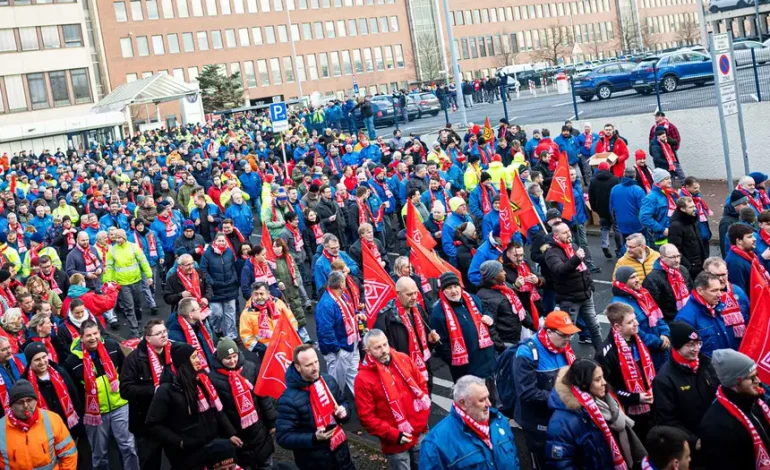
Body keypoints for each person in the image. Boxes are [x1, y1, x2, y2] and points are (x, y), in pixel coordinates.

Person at [145, 343, 239, 470]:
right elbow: (153, 423)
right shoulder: (166, 390)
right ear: (184, 362)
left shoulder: (202, 379)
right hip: (186, 455)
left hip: (210, 447)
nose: (198, 360)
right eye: (194, 357)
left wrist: (230, 433)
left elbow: (216, 409)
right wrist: (180, 442)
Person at [62, 319, 139, 470]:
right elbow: (74, 391)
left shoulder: (111, 346)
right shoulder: (72, 361)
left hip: (120, 405)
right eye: (88, 335)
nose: (93, 338)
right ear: (81, 337)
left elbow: (125, 372)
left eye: (95, 333)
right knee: (99, 454)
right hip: (95, 414)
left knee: (128, 447)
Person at [507, 310, 578, 468]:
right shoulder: (527, 353)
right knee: (543, 461)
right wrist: (563, 399)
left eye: (570, 335)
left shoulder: (564, 348)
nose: (568, 339)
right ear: (549, 332)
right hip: (537, 422)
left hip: (560, 415)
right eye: (564, 335)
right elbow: (527, 393)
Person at [546, 359, 647, 469]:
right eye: (598, 379)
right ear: (584, 384)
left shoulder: (608, 402)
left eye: (602, 377)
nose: (604, 382)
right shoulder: (562, 422)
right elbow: (561, 464)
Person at [354, 330, 430, 469]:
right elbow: (367, 417)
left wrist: (422, 418)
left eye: (385, 344)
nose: (384, 351)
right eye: (377, 347)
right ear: (367, 351)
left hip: (419, 431)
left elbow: (421, 385)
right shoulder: (362, 379)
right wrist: (394, 435)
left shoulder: (403, 359)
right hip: (395, 443)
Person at [276, 344, 354, 470]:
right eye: (308, 365)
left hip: (342, 456)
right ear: (297, 367)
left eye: (316, 362)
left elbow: (344, 402)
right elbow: (283, 437)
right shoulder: (288, 399)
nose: (315, 368)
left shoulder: (328, 381)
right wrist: (314, 438)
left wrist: (344, 412)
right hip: (314, 462)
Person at [420, 375, 520, 470]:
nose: (488, 404)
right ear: (463, 403)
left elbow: (514, 458)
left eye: (487, 397)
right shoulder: (435, 444)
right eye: (481, 400)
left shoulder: (499, 420)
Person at [652, 321, 716, 463]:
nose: (696, 349)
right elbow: (667, 420)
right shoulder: (664, 380)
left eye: (698, 343)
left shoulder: (706, 364)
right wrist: (693, 441)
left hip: (714, 437)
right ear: (677, 346)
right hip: (693, 450)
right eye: (690, 345)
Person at [209, 338, 276, 470]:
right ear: (219, 358)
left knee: (266, 462)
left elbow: (262, 396)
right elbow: (218, 411)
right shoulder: (212, 378)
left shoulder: (250, 367)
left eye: (235, 356)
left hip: (259, 428)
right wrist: (230, 433)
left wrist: (272, 422)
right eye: (228, 358)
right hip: (237, 432)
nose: (233, 361)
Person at [699, 349, 770, 470]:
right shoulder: (717, 425)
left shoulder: (756, 402)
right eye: (752, 378)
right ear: (735, 383)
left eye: (757, 375)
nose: (758, 381)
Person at [118, 318, 173, 470]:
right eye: (159, 333)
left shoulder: (173, 351)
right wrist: (154, 391)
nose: (164, 335)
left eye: (164, 331)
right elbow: (125, 390)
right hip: (146, 423)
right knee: (150, 464)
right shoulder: (134, 359)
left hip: (171, 420)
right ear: (148, 338)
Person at [598, 302, 657, 442]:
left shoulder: (637, 340)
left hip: (652, 405)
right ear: (617, 327)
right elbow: (607, 390)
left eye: (635, 319)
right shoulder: (605, 354)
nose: (636, 323)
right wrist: (636, 398)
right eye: (630, 322)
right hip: (628, 413)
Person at [430, 271, 495, 387]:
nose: (454, 291)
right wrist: (459, 363)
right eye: (449, 288)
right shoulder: (438, 313)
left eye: (455, 286)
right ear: (443, 291)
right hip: (466, 371)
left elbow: (486, 311)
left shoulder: (473, 299)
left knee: (491, 401)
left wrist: (489, 317)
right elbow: (441, 346)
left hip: (488, 362)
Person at [545, 222, 603, 349]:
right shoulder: (551, 253)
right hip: (570, 299)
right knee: (567, 333)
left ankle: (602, 354)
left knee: (594, 326)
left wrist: (590, 285)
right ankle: (567, 359)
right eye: (564, 232)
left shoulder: (573, 246)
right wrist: (576, 259)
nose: (568, 234)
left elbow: (584, 269)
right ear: (556, 235)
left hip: (586, 295)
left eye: (568, 231)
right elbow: (560, 271)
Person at [374, 277, 439, 389]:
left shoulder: (418, 309)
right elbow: (380, 350)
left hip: (423, 369)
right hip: (402, 373)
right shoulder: (386, 317)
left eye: (415, 293)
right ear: (398, 293)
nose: (414, 297)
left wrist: (432, 341)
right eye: (409, 294)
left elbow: (425, 342)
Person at [0, 379, 78, 469]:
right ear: (12, 406)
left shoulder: (53, 419)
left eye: (29, 400)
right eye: (20, 402)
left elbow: (69, 453)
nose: (26, 406)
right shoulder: (1, 427)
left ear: (36, 401)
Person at [612, 266, 671, 370]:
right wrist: (658, 342)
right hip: (646, 354)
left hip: (660, 349)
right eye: (633, 277)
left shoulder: (642, 294)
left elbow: (657, 316)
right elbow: (634, 332)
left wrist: (665, 333)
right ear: (624, 281)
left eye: (637, 276)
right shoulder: (619, 304)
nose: (637, 280)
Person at [675, 271, 745, 358]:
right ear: (700, 290)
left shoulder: (717, 307)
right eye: (714, 290)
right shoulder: (685, 318)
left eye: (719, 289)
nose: (719, 294)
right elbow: (686, 354)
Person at [315, 271, 362, 396]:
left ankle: (361, 402)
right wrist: (338, 350)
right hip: (340, 351)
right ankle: (336, 408)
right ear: (341, 284)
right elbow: (325, 332)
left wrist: (357, 315)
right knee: (336, 384)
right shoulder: (326, 304)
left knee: (355, 377)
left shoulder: (342, 296)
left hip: (351, 345)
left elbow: (349, 312)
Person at [103, 229, 152, 339]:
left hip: (136, 280)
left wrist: (149, 275)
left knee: (137, 304)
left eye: (119, 238)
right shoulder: (112, 251)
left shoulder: (134, 247)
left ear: (124, 238)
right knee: (129, 307)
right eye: (116, 238)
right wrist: (107, 281)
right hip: (123, 283)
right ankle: (134, 330)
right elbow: (109, 267)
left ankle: (138, 322)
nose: (118, 240)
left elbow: (143, 261)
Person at [477, 260, 534, 348]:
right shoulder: (486, 297)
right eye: (501, 271)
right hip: (505, 343)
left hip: (514, 337)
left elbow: (518, 307)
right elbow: (490, 326)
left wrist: (532, 325)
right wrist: (501, 347)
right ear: (493, 275)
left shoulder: (506, 286)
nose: (504, 272)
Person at [239, 281, 300, 355]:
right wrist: (264, 349)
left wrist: (292, 338)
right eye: (256, 294)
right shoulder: (246, 314)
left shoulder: (278, 304)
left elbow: (291, 321)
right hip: (266, 353)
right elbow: (246, 337)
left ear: (268, 294)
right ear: (252, 295)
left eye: (261, 294)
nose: (259, 297)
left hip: (286, 345)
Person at [201, 232, 240, 339]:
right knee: (216, 314)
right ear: (215, 241)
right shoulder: (207, 254)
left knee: (230, 315)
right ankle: (217, 330)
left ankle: (231, 336)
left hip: (230, 288)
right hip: (215, 290)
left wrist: (234, 278)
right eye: (219, 240)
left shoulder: (229, 252)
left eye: (223, 241)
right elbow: (203, 270)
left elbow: (233, 266)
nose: (222, 243)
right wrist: (210, 281)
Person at [642, 244, 692, 322]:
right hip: (669, 321)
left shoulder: (683, 270)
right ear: (662, 258)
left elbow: (691, 291)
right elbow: (653, 307)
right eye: (672, 257)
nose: (677, 260)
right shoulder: (652, 279)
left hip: (688, 315)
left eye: (678, 256)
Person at [167, 297, 219, 370]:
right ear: (190, 314)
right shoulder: (176, 337)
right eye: (198, 308)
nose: (201, 309)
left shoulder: (198, 324)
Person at [726, 222, 770, 299]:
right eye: (749, 237)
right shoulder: (736, 263)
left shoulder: (749, 256)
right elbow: (740, 294)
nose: (754, 239)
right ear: (739, 241)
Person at [589, 161, 622, 259]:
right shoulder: (615, 180)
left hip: (601, 209)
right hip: (614, 209)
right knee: (617, 229)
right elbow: (618, 194)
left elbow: (591, 197)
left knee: (604, 228)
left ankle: (604, 244)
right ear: (608, 168)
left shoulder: (593, 181)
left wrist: (595, 208)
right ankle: (619, 249)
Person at [668, 196, 707, 280]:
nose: (694, 209)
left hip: (700, 264)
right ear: (682, 209)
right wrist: (689, 266)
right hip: (690, 268)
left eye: (694, 206)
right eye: (691, 207)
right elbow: (675, 249)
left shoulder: (692, 220)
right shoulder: (676, 225)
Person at [640, 169, 678, 249]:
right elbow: (644, 218)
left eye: (669, 178)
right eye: (666, 179)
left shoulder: (671, 193)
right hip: (660, 239)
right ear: (658, 181)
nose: (670, 181)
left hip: (674, 235)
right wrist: (662, 230)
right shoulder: (650, 198)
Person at [719, 190, 751, 257]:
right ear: (735, 206)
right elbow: (724, 246)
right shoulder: (726, 222)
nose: (748, 206)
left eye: (748, 203)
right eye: (744, 204)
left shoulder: (741, 216)